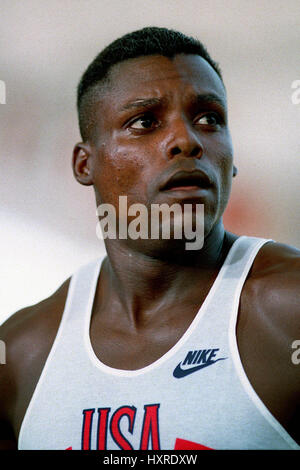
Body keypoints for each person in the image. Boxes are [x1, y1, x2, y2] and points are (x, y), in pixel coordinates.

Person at [0, 26, 299, 451]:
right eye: (145, 122)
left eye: (209, 119)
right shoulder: (21, 353)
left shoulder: (289, 312)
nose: (186, 140)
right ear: (85, 164)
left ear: (233, 162)